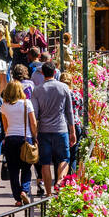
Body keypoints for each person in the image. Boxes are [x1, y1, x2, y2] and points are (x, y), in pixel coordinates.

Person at [31, 63, 76, 194]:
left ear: (43, 73)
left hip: (44, 130)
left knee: (45, 162)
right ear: (55, 72)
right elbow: (69, 112)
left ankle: (49, 193)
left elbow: (35, 113)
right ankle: (59, 181)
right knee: (64, 158)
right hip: (61, 129)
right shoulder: (64, 88)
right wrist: (72, 131)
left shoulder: (37, 90)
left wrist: (34, 134)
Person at [1, 79, 38, 206]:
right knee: (27, 167)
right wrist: (35, 136)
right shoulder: (27, 103)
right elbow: (33, 122)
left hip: (10, 138)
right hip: (25, 138)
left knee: (13, 170)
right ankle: (24, 190)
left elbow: (5, 126)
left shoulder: (4, 106)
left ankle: (17, 198)